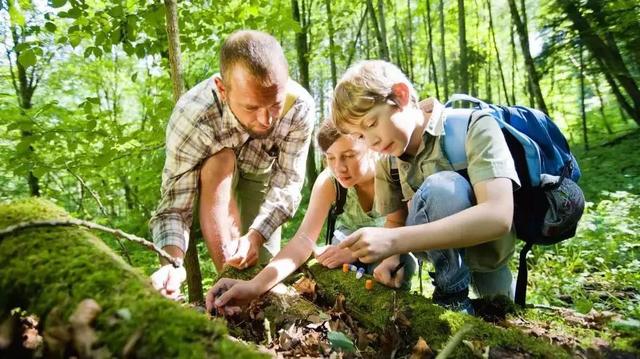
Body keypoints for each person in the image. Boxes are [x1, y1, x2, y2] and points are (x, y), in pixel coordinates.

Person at [331, 60, 520, 312]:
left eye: (371, 123)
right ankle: (452, 298)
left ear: (400, 95)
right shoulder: (388, 161)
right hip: (444, 267)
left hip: (488, 257)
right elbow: (395, 222)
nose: (372, 141)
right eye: (361, 137)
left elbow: (499, 215)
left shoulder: (473, 126)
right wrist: (391, 257)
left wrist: (394, 241)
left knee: (506, 316)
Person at [149, 30, 315, 299]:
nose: (266, 120)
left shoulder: (300, 107)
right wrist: (172, 264)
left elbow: (287, 182)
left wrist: (256, 235)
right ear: (222, 89)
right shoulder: (193, 116)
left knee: (261, 270)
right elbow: (174, 207)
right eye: (251, 107)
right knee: (220, 160)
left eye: (274, 104)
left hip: (261, 174)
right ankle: (226, 284)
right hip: (212, 179)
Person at [206, 120, 413, 315]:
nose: (339, 167)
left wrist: (354, 252)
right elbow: (303, 240)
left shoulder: (391, 171)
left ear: (370, 145)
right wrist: (255, 286)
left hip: (391, 243)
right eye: (331, 157)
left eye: (349, 155)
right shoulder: (330, 182)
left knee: (400, 267)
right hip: (344, 244)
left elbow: (398, 226)